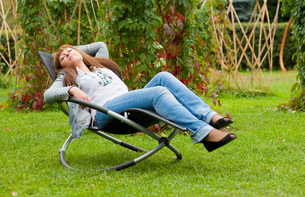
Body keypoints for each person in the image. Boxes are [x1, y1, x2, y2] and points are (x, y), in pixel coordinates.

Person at [44, 42, 237, 152]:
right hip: (106, 112)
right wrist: (72, 90)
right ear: (61, 66)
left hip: (126, 102)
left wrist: (73, 51)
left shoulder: (99, 64)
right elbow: (48, 95)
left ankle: (210, 116)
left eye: (70, 49)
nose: (67, 53)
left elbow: (100, 45)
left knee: (163, 77)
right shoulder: (67, 76)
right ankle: (203, 132)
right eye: (62, 57)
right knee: (158, 92)